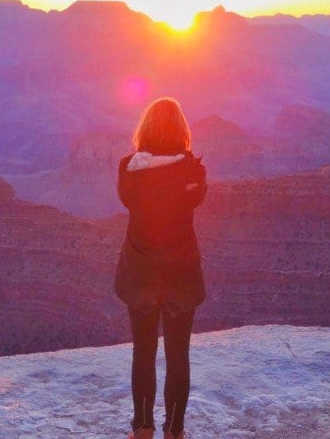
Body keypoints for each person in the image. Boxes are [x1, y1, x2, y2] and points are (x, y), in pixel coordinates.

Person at [114, 97, 208, 439]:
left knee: (143, 351)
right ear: (181, 130)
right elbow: (196, 199)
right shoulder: (193, 170)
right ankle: (175, 430)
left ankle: (142, 427)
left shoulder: (128, 168)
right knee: (178, 355)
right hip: (180, 275)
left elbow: (127, 199)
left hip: (140, 274)